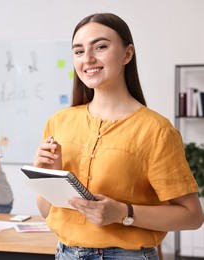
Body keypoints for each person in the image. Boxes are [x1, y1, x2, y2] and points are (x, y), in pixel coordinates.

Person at [33, 13, 204, 260]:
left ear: (127, 54)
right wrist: (48, 176)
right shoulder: (59, 122)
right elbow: (46, 211)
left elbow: (192, 216)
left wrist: (124, 213)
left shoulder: (156, 130)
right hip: (65, 254)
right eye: (79, 51)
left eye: (100, 47)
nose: (88, 58)